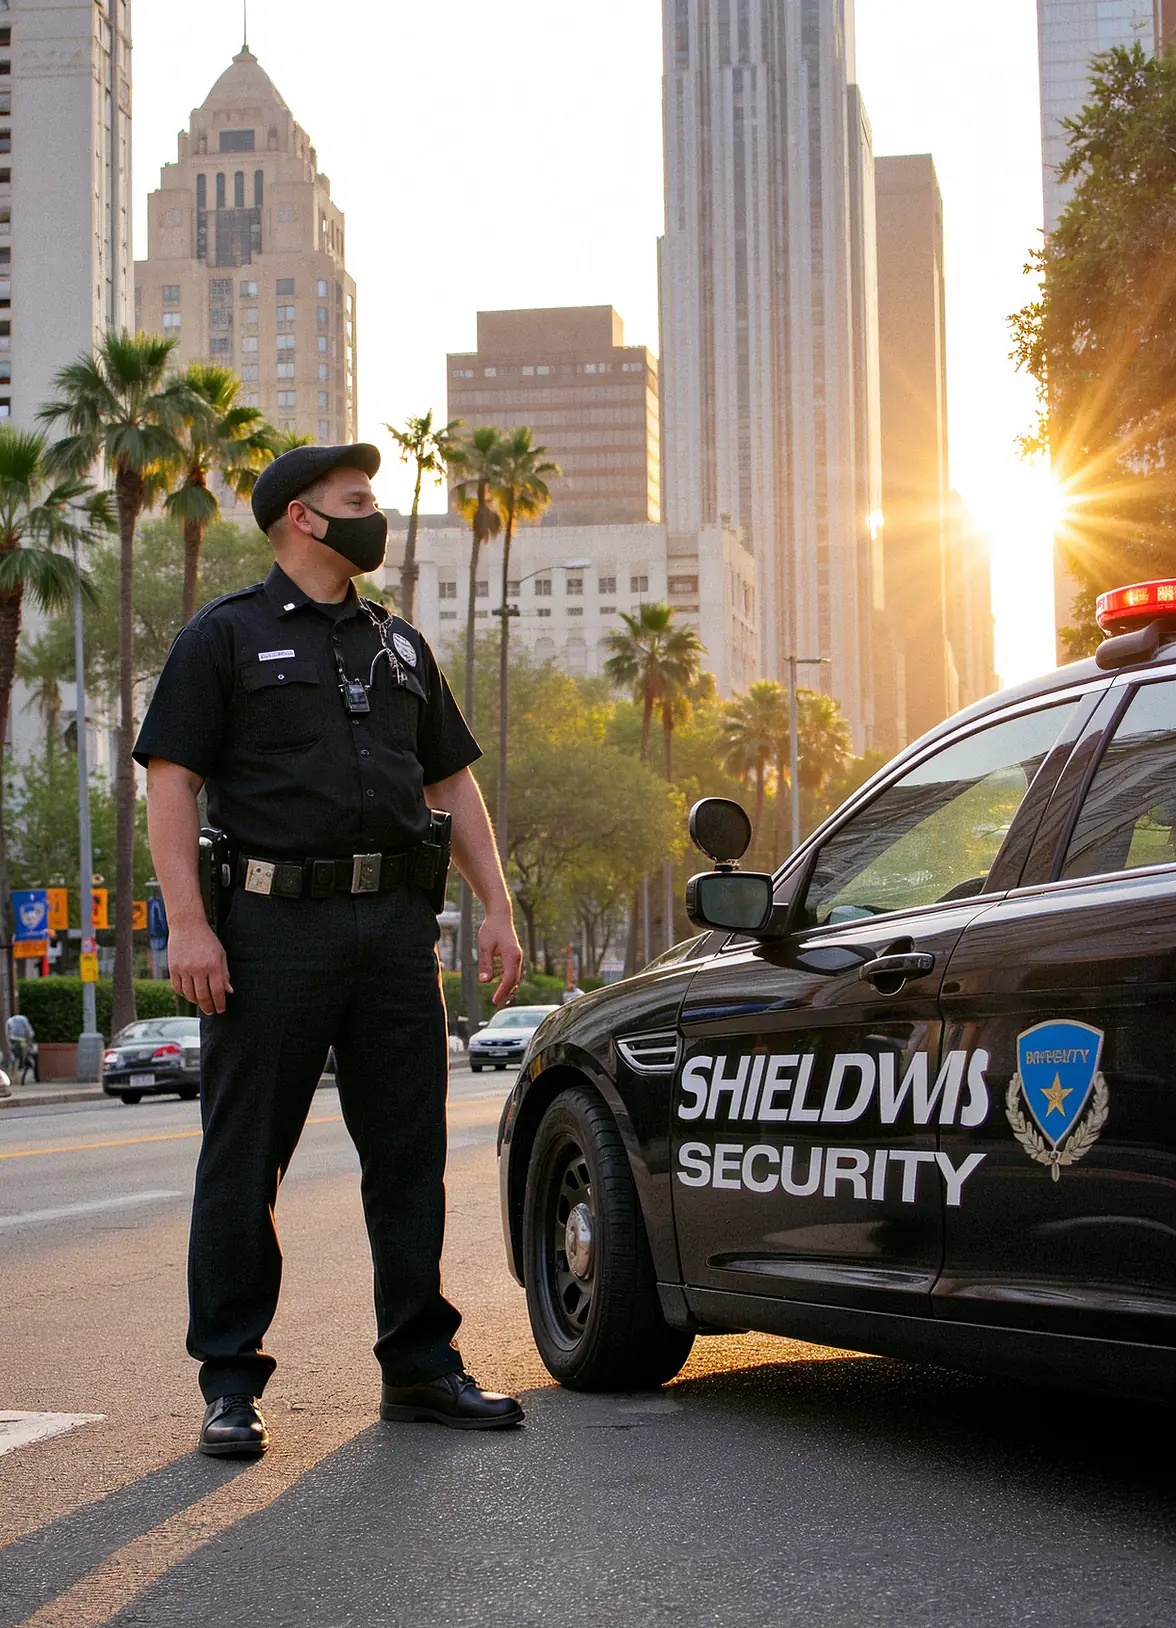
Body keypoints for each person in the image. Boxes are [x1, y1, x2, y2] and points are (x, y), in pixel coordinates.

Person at [134, 443, 525, 1458]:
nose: (374, 516)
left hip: (393, 932)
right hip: (269, 932)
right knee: (244, 1159)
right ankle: (229, 1379)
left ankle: (420, 1366)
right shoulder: (225, 636)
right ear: (303, 519)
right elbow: (170, 777)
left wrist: (497, 904)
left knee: (409, 1157)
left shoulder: (398, 646)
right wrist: (188, 921)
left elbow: (452, 782)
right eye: (358, 502)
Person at [7, 1012, 38, 1084]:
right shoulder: (23, 1019)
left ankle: (14, 1076)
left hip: (13, 1043)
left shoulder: (10, 1020)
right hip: (20, 1043)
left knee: (13, 1059)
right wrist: (29, 1045)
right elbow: (30, 1034)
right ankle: (21, 1067)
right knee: (25, 1057)